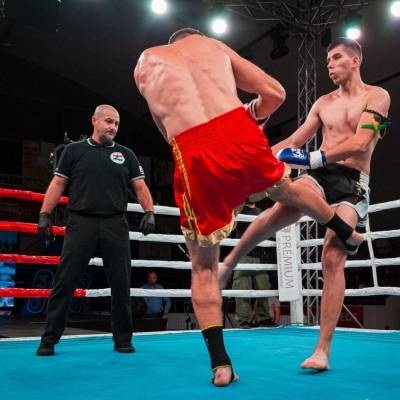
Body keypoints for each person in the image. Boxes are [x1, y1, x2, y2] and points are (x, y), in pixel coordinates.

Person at [133, 28, 362, 386]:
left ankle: (221, 365)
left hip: (193, 150)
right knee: (286, 189)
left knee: (203, 267)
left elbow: (165, 127)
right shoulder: (212, 46)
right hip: (239, 131)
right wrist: (249, 113)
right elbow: (275, 94)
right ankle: (346, 230)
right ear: (195, 37)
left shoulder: (146, 63)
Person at [221, 38, 391, 370]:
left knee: (331, 258)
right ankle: (229, 261)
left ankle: (322, 351)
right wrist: (258, 159)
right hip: (321, 175)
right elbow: (294, 140)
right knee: (280, 208)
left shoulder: (377, 96)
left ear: (355, 61)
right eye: (328, 60)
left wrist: (313, 158)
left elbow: (361, 142)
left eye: (337, 58)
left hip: (353, 182)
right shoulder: (323, 102)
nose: (330, 64)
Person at [36, 104, 156, 356]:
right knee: (65, 281)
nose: (113, 127)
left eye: (116, 123)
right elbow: (58, 183)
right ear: (94, 120)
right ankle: (48, 340)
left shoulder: (126, 154)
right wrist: (45, 214)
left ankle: (123, 340)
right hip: (81, 223)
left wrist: (149, 212)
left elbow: (140, 186)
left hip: (115, 223)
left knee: (121, 284)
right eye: (108, 121)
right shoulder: (73, 151)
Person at [231, 201, 271, 329]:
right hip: (244, 255)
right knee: (242, 287)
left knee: (263, 288)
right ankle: (243, 321)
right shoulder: (239, 210)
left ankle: (264, 318)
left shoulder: (261, 211)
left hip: (260, 255)